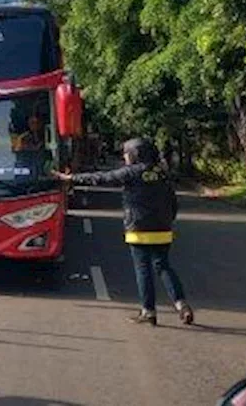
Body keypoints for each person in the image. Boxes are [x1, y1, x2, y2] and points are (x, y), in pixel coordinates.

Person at [55, 138, 194, 326]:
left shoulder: (131, 173)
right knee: (163, 266)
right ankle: (181, 305)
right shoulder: (163, 173)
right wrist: (168, 220)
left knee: (143, 269)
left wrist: (72, 178)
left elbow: (102, 178)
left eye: (127, 153)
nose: (124, 156)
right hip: (162, 228)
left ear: (136, 154)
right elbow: (172, 201)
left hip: (138, 228)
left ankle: (149, 311)